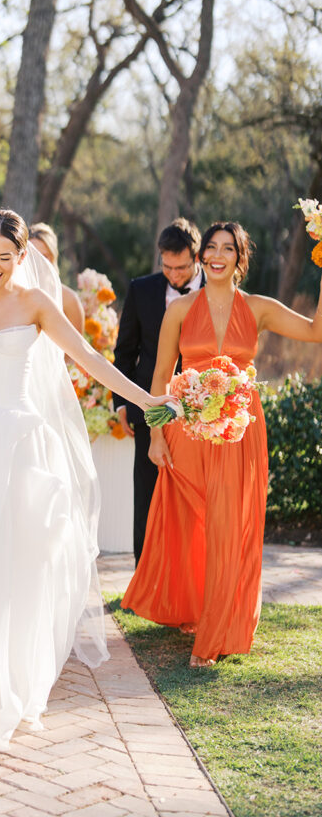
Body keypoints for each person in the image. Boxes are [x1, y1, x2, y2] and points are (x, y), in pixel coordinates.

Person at [0, 209, 176, 750]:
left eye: (5, 256)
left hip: (20, 448)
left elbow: (89, 356)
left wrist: (145, 399)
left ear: (23, 257)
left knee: (9, 568)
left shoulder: (36, 305)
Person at [122, 221, 322, 667]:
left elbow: (315, 331)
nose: (216, 255)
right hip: (187, 430)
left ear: (240, 257)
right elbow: (159, 377)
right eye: (210, 248)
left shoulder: (259, 308)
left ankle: (215, 634)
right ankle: (195, 608)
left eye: (226, 249)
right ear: (200, 256)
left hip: (238, 433)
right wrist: (155, 435)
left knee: (228, 526)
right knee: (193, 522)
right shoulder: (179, 309)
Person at [113, 218, 203, 564]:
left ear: (196, 258)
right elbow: (125, 350)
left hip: (201, 409)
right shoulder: (142, 289)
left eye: (181, 268)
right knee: (147, 495)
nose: (174, 275)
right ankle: (143, 579)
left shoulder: (217, 290)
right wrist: (121, 404)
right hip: (147, 407)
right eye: (167, 266)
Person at [28, 221, 85, 333]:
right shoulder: (14, 295)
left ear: (53, 258)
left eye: (44, 257)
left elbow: (73, 350)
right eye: (32, 256)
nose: (38, 263)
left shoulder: (69, 301)